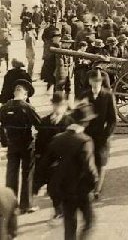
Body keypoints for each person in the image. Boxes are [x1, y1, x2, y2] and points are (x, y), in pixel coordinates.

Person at [46, 103, 99, 240]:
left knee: (69, 225)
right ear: (86, 122)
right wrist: (93, 186)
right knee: (89, 222)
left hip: (65, 191)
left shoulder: (57, 139)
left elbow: (44, 165)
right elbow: (89, 168)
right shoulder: (85, 141)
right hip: (81, 191)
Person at [0, 78, 40, 214]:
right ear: (25, 95)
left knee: (11, 173)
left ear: (14, 92)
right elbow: (40, 125)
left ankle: (9, 205)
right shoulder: (27, 107)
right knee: (27, 173)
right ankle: (26, 205)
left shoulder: (4, 108)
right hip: (26, 144)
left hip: (12, 144)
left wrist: (4, 141)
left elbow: (0, 126)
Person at [79, 68, 117, 200]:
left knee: (101, 162)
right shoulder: (84, 96)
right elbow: (78, 116)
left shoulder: (108, 96)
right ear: (89, 82)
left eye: (99, 82)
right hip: (87, 135)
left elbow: (112, 119)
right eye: (94, 82)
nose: (96, 84)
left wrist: (106, 135)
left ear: (101, 82)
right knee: (88, 161)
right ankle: (90, 187)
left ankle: (97, 190)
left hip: (102, 135)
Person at [32, 92, 72, 220]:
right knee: (53, 188)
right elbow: (39, 142)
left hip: (63, 161)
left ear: (65, 106)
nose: (58, 107)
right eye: (56, 105)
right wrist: (38, 157)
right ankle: (58, 210)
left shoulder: (69, 122)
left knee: (62, 186)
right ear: (52, 105)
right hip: (48, 161)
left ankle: (62, 209)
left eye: (60, 105)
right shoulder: (44, 121)